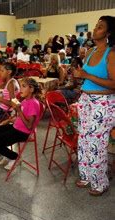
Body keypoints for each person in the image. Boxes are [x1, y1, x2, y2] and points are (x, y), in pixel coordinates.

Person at [73, 16, 115, 196]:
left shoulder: (111, 53)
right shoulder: (90, 51)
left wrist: (87, 76)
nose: (95, 29)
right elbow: (86, 75)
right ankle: (87, 175)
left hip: (103, 103)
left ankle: (100, 182)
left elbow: (114, 84)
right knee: (83, 140)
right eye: (96, 26)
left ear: (108, 33)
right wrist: (79, 74)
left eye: (100, 27)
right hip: (86, 100)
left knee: (95, 143)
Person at [0, 77, 41, 170]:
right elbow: (20, 118)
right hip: (15, 127)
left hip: (23, 133)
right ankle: (5, 153)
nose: (20, 89)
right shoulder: (25, 100)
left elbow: (29, 126)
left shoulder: (33, 103)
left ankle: (14, 157)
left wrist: (18, 110)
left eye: (23, 86)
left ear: (31, 89)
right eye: (21, 86)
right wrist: (8, 120)